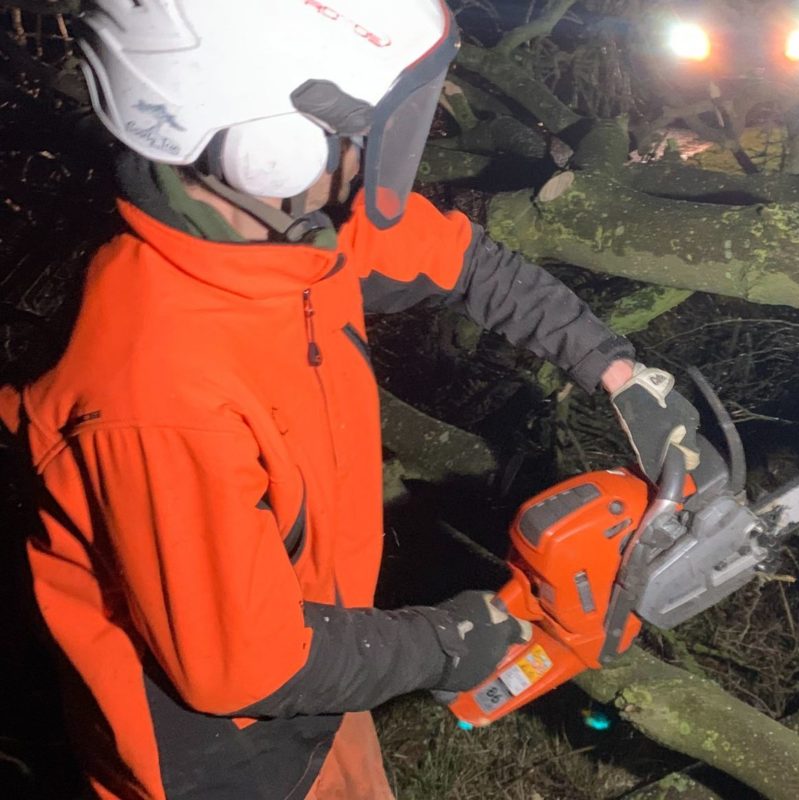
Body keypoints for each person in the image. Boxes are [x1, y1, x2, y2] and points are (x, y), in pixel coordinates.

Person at [0, 1, 700, 798]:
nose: (374, 162)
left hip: (326, 659)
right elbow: (243, 668)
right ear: (272, 150)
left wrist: (619, 374)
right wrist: (459, 639)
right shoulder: (154, 392)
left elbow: (466, 264)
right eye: (362, 136)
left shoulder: (281, 237)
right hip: (218, 761)